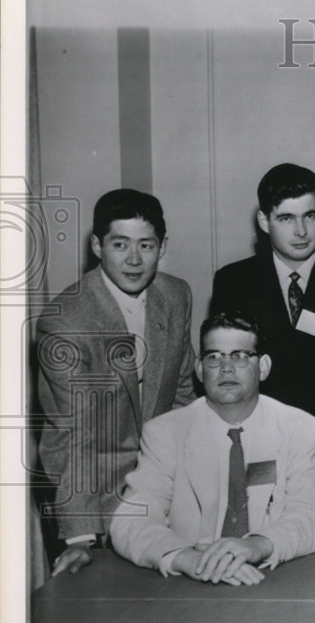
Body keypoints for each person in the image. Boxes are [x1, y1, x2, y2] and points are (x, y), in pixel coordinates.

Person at [36, 189, 197, 576]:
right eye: (120, 244)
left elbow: (181, 394)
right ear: (97, 245)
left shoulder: (176, 295)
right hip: (98, 495)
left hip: (168, 486)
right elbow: (71, 435)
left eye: (146, 245)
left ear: (163, 247)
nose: (134, 259)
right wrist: (79, 538)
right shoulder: (66, 321)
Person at [110, 311, 315, 585]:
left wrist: (256, 546)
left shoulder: (302, 430)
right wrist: (189, 559)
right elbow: (131, 520)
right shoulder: (165, 432)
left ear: (263, 367)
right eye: (214, 357)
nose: (226, 368)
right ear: (200, 370)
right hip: (189, 581)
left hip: (274, 576)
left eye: (240, 356)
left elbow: (306, 516)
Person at [210, 163, 315, 465]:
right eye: (286, 218)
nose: (301, 231)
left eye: (309, 216)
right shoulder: (233, 283)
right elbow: (227, 380)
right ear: (264, 221)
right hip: (260, 449)